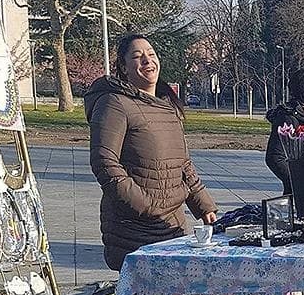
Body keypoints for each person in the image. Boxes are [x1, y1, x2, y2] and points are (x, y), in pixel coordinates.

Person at [86, 34, 217, 271]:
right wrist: (145, 205)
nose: (147, 61)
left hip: (173, 224)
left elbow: (183, 164)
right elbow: (104, 162)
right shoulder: (114, 103)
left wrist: (204, 207)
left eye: (151, 54)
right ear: (123, 68)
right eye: (137, 56)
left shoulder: (168, 107)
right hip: (135, 228)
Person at [265, 69, 304, 194]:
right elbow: (275, 157)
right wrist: (298, 181)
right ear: (302, 89)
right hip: (300, 193)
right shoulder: (289, 117)